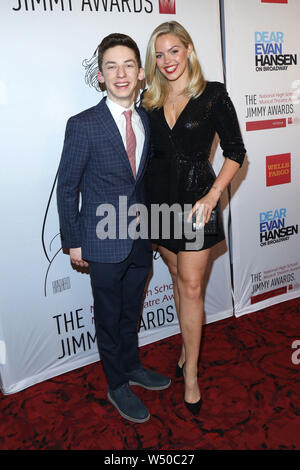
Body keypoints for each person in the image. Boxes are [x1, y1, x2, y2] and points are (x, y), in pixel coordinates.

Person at [57, 33, 170, 424]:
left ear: (141, 74)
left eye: (128, 65)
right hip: (101, 242)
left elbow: (142, 180)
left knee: (130, 310)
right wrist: (73, 242)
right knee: (108, 315)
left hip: (140, 239)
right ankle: (116, 382)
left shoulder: (145, 121)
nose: (120, 73)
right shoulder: (83, 125)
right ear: (101, 76)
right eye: (111, 66)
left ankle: (132, 364)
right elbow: (67, 186)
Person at [142, 21, 246, 415]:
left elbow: (235, 151)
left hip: (198, 202)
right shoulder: (148, 101)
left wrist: (214, 193)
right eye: (159, 53)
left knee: (189, 286)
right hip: (159, 205)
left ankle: (191, 375)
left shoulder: (212, 95)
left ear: (188, 50)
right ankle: (187, 349)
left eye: (173, 50)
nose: (167, 60)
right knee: (175, 276)